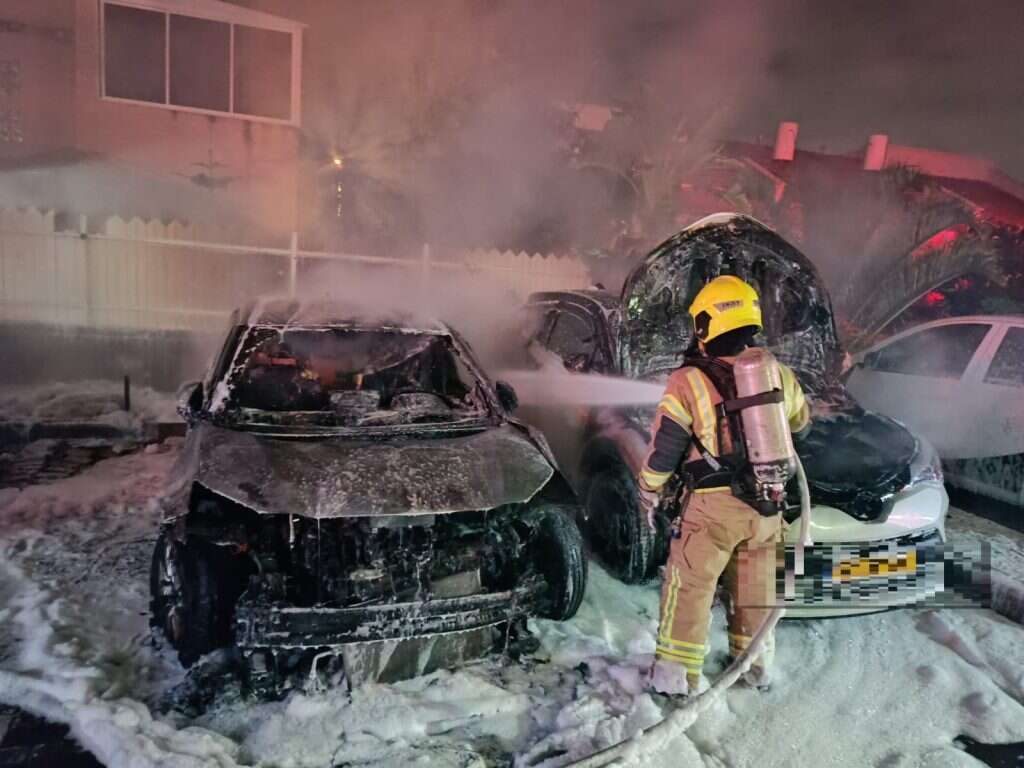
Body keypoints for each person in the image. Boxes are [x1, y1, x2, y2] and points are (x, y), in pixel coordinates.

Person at [636, 275, 811, 697]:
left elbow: (665, 449)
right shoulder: (779, 374)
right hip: (768, 504)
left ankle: (676, 679)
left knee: (690, 587)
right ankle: (752, 667)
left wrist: (648, 487)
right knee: (755, 588)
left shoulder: (687, 381)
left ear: (705, 324)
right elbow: (801, 430)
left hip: (712, 510)